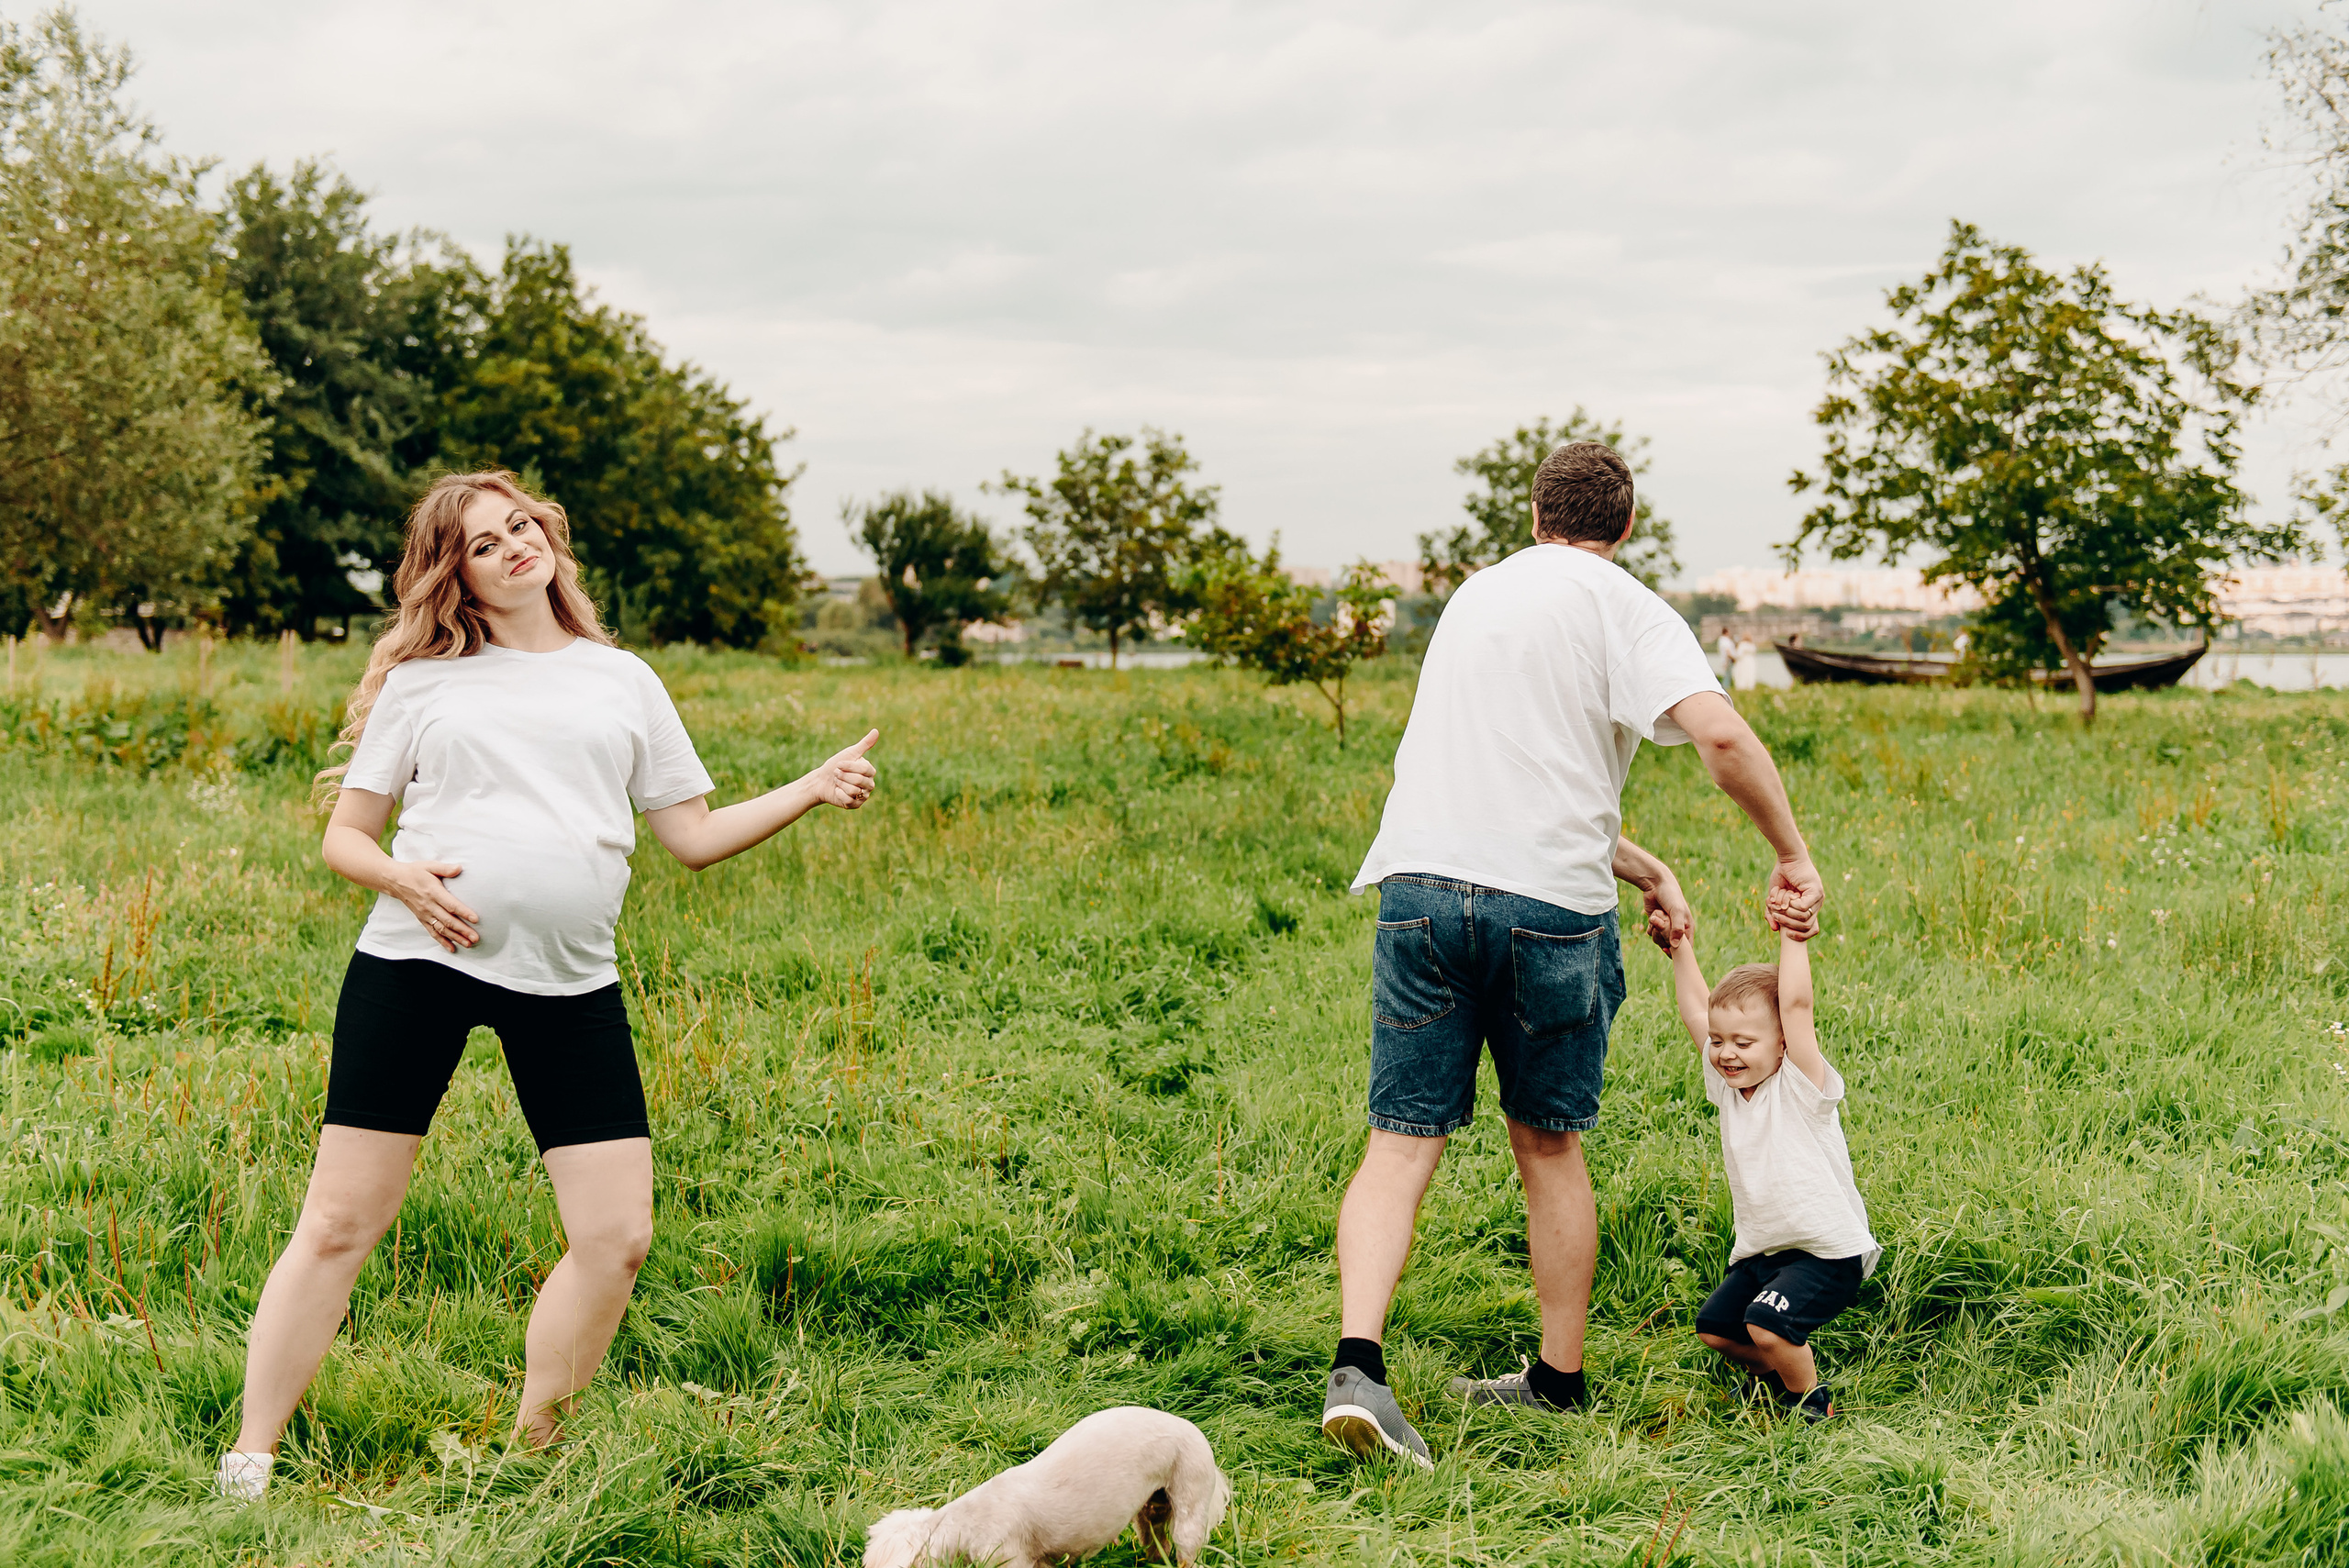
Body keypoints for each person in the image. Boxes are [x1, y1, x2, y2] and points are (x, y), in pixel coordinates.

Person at [217, 471, 882, 1498]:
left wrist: (810, 783)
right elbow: (344, 836)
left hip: (569, 983)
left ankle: (534, 1451)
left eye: (520, 525)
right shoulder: (425, 683)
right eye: (483, 543)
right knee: (342, 1222)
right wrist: (400, 874)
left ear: (550, 539)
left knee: (616, 1239)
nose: (512, 545)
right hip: (415, 966)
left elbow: (692, 837)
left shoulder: (622, 679)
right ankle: (250, 1455)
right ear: (459, 577)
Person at [1319, 440, 1822, 1469]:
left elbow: (1517, 779)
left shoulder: (1473, 599)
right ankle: (1555, 1380)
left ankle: (1357, 1367)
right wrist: (1790, 850)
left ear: (1532, 513)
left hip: (1417, 886)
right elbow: (1721, 738)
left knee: (1399, 1138)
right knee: (1547, 1144)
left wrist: (1640, 864)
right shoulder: (1622, 604)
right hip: (1546, 909)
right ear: (1624, 527)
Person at [1651, 916, 1876, 1422]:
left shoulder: (1801, 1088)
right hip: (1766, 1251)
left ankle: (1809, 1405)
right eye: (1720, 1041)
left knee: (1766, 1325)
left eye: (1744, 1043)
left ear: (1782, 1045)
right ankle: (1781, 1372)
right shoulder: (1730, 1089)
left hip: (1826, 1253)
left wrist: (1791, 936)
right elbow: (1695, 1011)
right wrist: (1680, 947)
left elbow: (1796, 1006)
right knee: (1716, 1329)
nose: (1727, 1053)